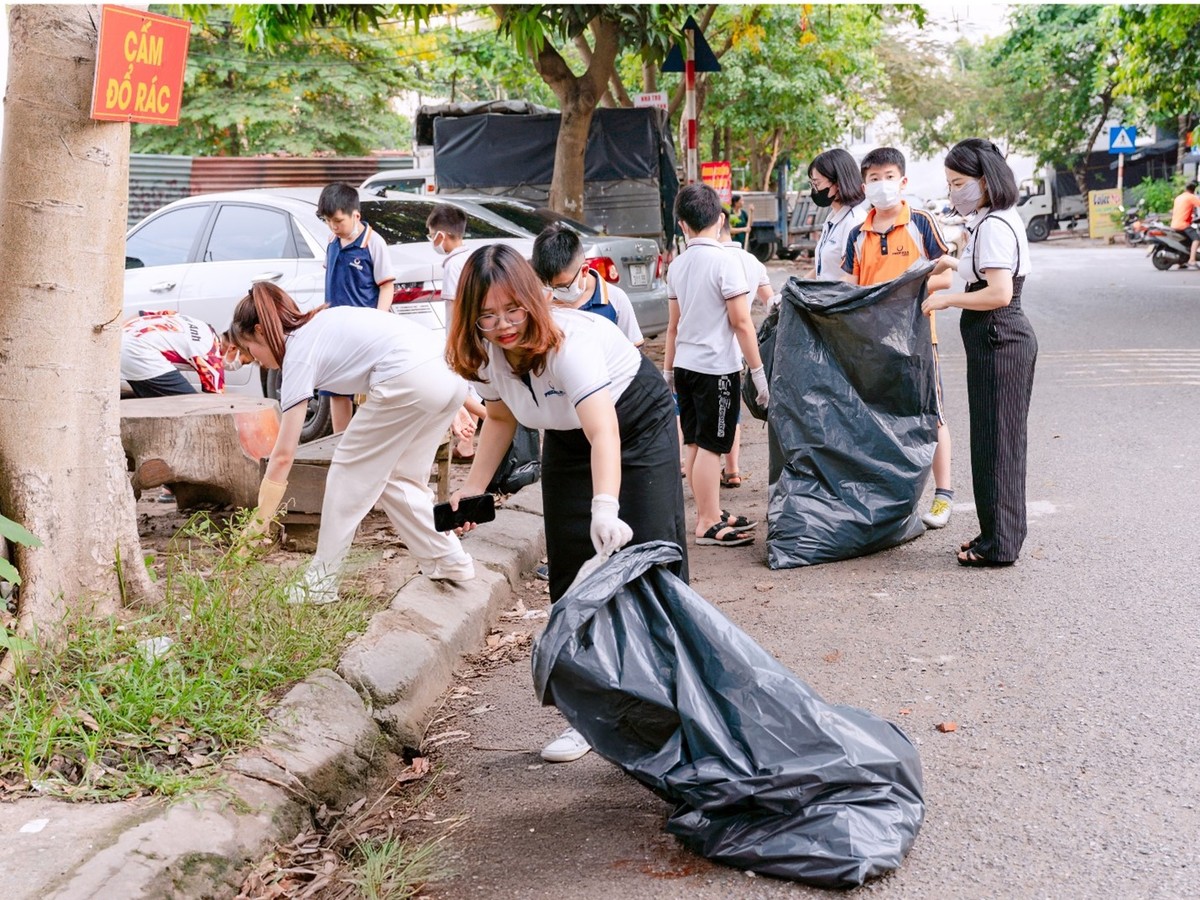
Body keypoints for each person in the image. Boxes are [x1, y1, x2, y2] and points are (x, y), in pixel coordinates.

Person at [444, 243, 688, 763]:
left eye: (512, 310)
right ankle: (591, 716)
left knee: (647, 557)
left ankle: (673, 708)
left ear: (532, 299)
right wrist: (474, 488)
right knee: (572, 573)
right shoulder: (487, 353)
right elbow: (503, 418)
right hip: (568, 438)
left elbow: (605, 432)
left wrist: (606, 505)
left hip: (632, 423)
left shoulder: (567, 343)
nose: (503, 324)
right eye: (487, 316)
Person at [233, 282, 474, 603]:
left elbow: (282, 454)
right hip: (446, 372)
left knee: (347, 471)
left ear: (262, 331)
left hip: (411, 377)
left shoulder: (298, 354)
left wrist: (259, 522)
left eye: (250, 350)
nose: (256, 360)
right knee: (401, 478)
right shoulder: (320, 325)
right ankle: (449, 560)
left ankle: (320, 582)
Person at [922, 138, 1037, 567]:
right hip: (998, 338)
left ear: (984, 181)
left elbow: (1000, 292)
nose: (954, 192)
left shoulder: (993, 225)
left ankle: (999, 545)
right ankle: (999, 534)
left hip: (999, 336)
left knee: (997, 443)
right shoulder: (992, 219)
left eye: (958, 182)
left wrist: (948, 300)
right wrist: (951, 264)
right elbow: (981, 269)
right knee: (997, 441)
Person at [843, 147, 956, 530]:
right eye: (873, 178)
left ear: (903, 181)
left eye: (888, 176)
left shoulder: (922, 223)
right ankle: (891, 499)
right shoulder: (857, 235)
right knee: (881, 420)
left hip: (921, 339)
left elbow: (946, 277)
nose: (881, 184)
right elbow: (849, 289)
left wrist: (905, 291)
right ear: (863, 186)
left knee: (932, 416)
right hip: (873, 346)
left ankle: (943, 496)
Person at [665, 183, 769, 547]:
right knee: (712, 446)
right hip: (715, 370)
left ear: (682, 225)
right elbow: (742, 323)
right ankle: (708, 521)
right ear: (720, 219)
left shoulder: (677, 266)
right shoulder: (726, 263)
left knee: (694, 442)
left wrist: (667, 371)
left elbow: (673, 326)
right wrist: (759, 375)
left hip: (685, 367)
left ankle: (709, 510)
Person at [316, 182, 396, 434]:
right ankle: (340, 442)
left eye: (338, 221)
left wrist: (378, 321)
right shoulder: (331, 241)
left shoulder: (374, 243)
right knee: (337, 389)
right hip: (336, 330)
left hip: (365, 332)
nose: (333, 226)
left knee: (367, 392)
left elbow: (387, 286)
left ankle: (366, 443)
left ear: (356, 215)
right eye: (328, 221)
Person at [716, 212, 774, 489]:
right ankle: (733, 468)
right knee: (732, 410)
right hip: (741, 351)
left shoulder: (710, 262)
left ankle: (706, 466)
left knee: (708, 421)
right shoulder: (753, 262)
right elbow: (770, 303)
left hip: (712, 351)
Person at [427, 203, 486, 461]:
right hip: (479, 333)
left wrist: (451, 341)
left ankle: (477, 434)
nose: (432, 240)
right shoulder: (472, 259)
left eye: (431, 234)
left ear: (442, 235)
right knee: (472, 388)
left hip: (462, 336)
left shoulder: (452, 266)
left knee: (461, 389)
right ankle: (466, 446)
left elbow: (453, 309)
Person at [531, 223, 644, 346]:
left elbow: (635, 351)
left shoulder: (615, 299)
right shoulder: (541, 299)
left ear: (584, 271)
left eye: (563, 286)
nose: (554, 292)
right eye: (547, 285)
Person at [120, 310, 244, 397]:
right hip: (139, 352)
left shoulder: (201, 325)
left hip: (122, 337)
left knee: (154, 393)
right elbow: (216, 403)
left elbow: (142, 313)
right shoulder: (211, 355)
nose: (239, 365)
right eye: (244, 361)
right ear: (233, 348)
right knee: (188, 405)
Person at [807, 148, 868, 280]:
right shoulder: (832, 218)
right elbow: (823, 266)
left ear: (838, 183)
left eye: (817, 183)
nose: (814, 189)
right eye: (812, 183)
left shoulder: (854, 221)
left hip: (837, 299)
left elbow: (852, 276)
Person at [1170, 180, 1200, 269]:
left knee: (1187, 242)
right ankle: (1192, 260)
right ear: (1194, 189)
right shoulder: (1191, 197)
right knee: (1197, 239)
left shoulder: (1179, 197)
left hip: (1174, 224)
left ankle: (1182, 261)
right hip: (1183, 224)